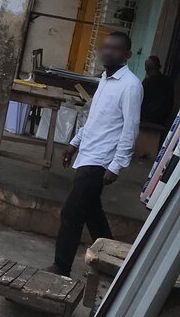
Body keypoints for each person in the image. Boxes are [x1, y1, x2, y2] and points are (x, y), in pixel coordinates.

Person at [50, 31, 142, 277]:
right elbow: (94, 119)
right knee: (92, 212)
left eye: (116, 48)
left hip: (101, 161)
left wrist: (117, 165)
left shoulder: (131, 86)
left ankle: (61, 267)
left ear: (127, 55)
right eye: (106, 47)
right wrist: (74, 143)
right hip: (88, 154)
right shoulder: (105, 79)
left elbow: (130, 129)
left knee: (71, 213)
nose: (108, 51)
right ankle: (113, 263)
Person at [141, 55, 174, 127]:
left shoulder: (147, 82)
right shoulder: (168, 81)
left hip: (145, 120)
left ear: (147, 68)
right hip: (161, 121)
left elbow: (140, 100)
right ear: (159, 66)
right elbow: (170, 102)